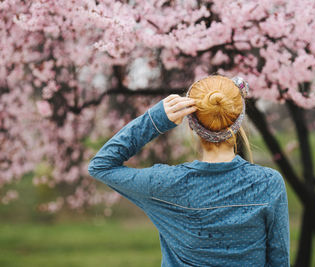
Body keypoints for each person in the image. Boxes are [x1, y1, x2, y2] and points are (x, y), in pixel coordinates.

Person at [88, 75, 290, 267]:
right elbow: (279, 260)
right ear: (238, 124)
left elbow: (102, 165)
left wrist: (155, 120)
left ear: (191, 124)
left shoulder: (165, 183)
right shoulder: (268, 183)